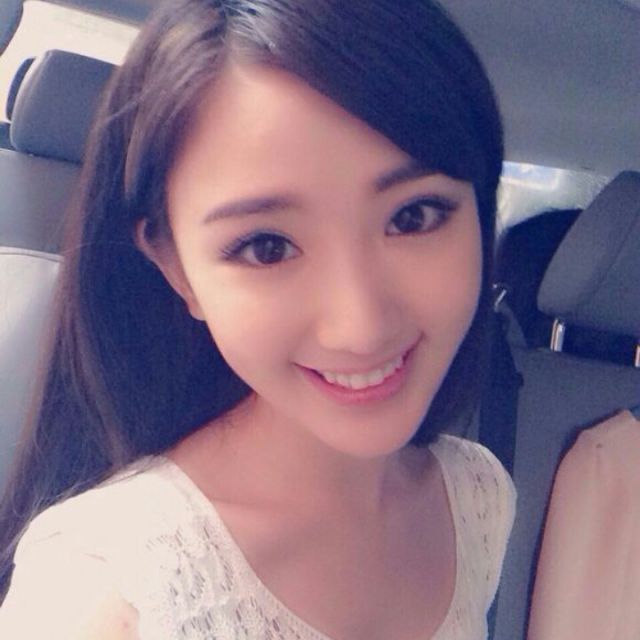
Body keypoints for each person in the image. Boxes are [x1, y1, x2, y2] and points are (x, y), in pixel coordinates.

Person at [0, 0, 516, 638]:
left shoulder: (474, 496)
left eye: (414, 217)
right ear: (176, 268)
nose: (360, 327)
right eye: (266, 247)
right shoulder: (104, 583)